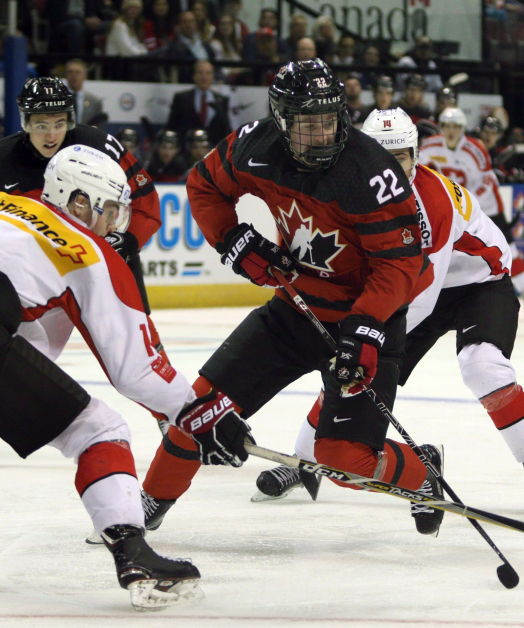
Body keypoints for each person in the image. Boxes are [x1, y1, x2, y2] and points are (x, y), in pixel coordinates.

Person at [138, 59, 440, 535]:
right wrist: (233, 240)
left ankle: (423, 471)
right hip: (295, 309)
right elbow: (204, 185)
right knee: (201, 407)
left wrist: (365, 325)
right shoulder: (254, 145)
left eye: (329, 119)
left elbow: (401, 264)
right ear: (282, 120)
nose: (322, 133)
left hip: (367, 322)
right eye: (307, 122)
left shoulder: (372, 173)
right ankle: (142, 508)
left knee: (343, 460)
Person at [253, 108, 524, 515]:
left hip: (476, 284)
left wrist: (361, 338)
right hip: (409, 289)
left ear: (416, 154)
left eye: (399, 156)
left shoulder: (433, 200)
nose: (389, 166)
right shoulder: (347, 190)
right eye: (378, 154)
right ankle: (306, 459)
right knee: (353, 368)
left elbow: (422, 291)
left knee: (481, 365)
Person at [0, 145, 252, 610]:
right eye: (108, 210)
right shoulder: (85, 248)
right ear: (78, 202)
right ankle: (133, 551)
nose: (113, 225)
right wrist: (199, 411)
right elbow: (138, 370)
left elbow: (24, 335)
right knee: (98, 431)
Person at [0, 78, 164, 358]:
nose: (51, 135)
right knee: (28, 359)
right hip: (37, 275)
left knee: (142, 357)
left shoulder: (101, 145)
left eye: (59, 123)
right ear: (25, 123)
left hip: (101, 260)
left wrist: (125, 242)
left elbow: (147, 205)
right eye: (40, 125)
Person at [420, 107, 524, 319]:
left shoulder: (475, 149)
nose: (451, 131)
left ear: (463, 128)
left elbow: (487, 181)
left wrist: (466, 201)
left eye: (456, 126)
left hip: (486, 205)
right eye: (447, 126)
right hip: (451, 207)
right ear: (440, 126)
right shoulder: (429, 146)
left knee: (508, 246)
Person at [166, 60, 233, 146]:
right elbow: (172, 127)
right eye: (200, 72)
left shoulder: (221, 100)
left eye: (208, 73)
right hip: (187, 151)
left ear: (213, 77)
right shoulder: (182, 98)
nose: (204, 77)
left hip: (214, 153)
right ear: (194, 76)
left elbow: (225, 130)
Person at [65, 58, 105, 129]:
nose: (74, 76)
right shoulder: (59, 100)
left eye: (77, 72)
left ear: (85, 76)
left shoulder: (95, 102)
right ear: (66, 75)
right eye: (70, 72)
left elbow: (99, 128)